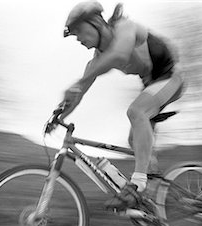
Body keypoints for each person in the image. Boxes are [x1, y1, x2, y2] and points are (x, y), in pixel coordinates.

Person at [61, 1, 184, 211]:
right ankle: (158, 197)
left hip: (172, 77)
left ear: (97, 22)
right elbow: (78, 94)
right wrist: (59, 116)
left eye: (79, 31)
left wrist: (80, 82)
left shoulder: (125, 28)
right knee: (133, 140)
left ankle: (138, 185)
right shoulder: (96, 61)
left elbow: (119, 54)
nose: (78, 39)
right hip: (151, 84)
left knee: (136, 112)